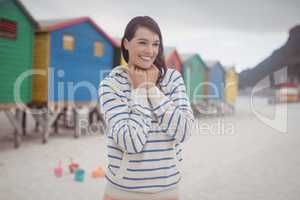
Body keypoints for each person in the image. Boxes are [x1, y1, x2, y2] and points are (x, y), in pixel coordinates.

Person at [98, 16, 194, 200]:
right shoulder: (111, 85)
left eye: (155, 44)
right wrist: (139, 91)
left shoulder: (172, 80)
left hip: (167, 191)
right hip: (121, 192)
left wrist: (151, 89)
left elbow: (184, 131)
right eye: (143, 42)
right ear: (126, 43)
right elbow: (131, 142)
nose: (150, 51)